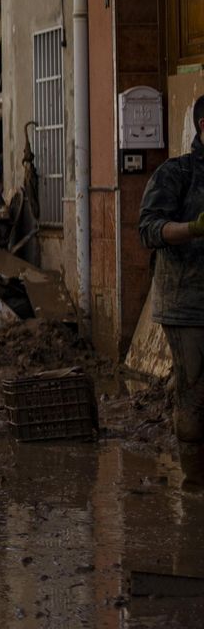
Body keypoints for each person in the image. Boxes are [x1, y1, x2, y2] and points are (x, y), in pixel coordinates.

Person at [139, 94, 204, 487]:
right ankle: (195, 484)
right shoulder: (175, 174)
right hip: (187, 305)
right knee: (194, 394)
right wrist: (193, 229)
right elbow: (148, 231)